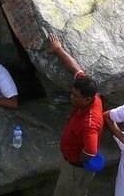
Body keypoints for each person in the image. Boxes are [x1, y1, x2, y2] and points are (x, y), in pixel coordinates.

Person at [47, 34, 103, 196]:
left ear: (87, 98)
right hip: (71, 165)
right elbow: (76, 69)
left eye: (76, 96)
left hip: (74, 170)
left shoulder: (90, 123)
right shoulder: (91, 93)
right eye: (72, 93)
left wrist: (76, 159)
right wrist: (58, 49)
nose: (71, 97)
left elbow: (91, 151)